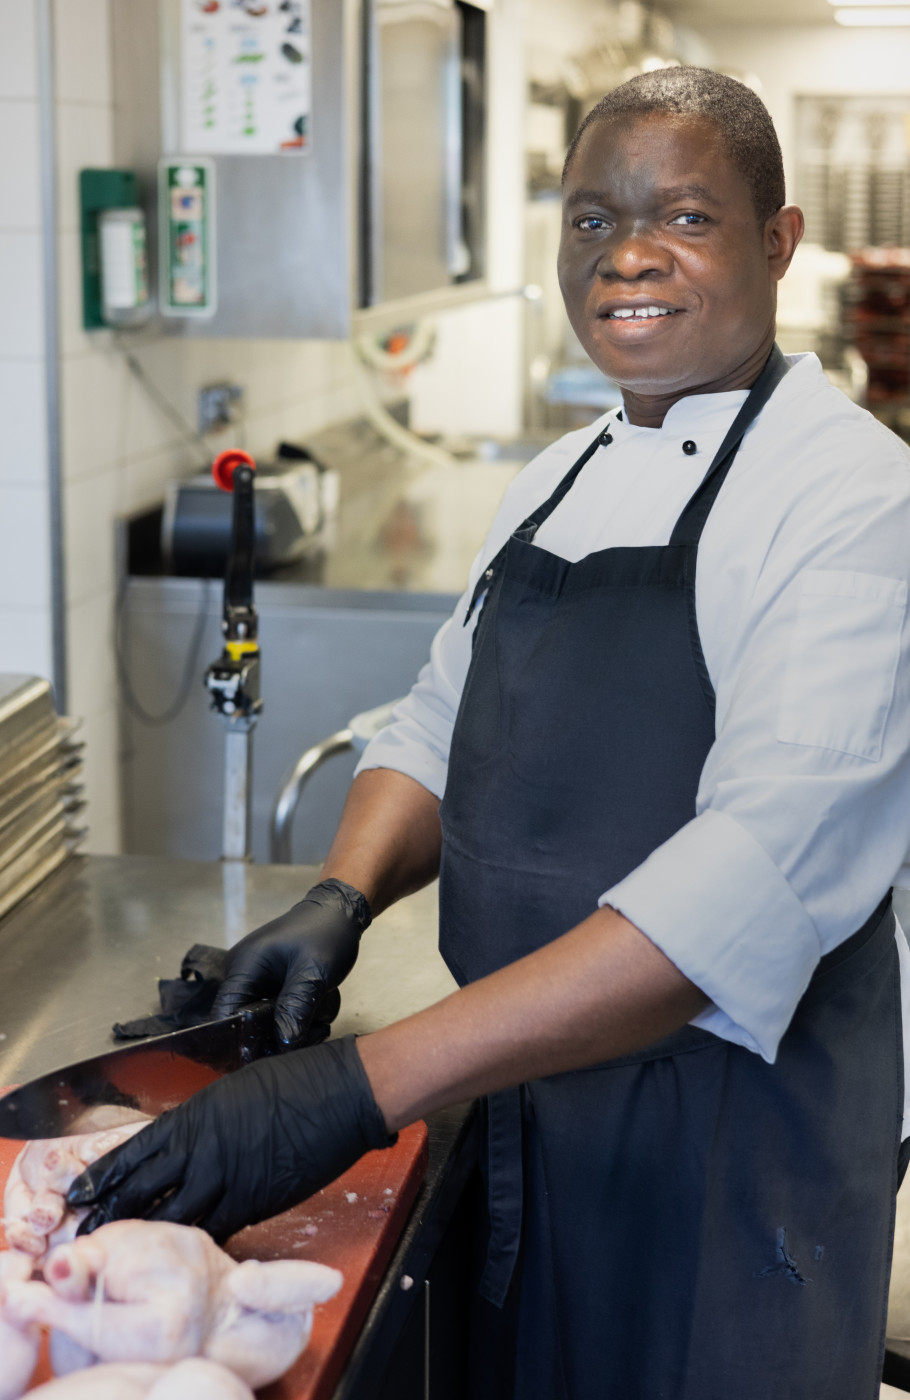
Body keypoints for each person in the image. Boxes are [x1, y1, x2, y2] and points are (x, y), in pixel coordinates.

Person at [71, 68, 910, 1398]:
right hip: (520, 1093)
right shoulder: (560, 475)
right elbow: (437, 713)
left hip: (728, 1144)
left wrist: (354, 1089)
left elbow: (743, 887)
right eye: (590, 220)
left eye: (682, 216)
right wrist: (338, 897)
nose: (626, 254)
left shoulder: (848, 495)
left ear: (777, 240)